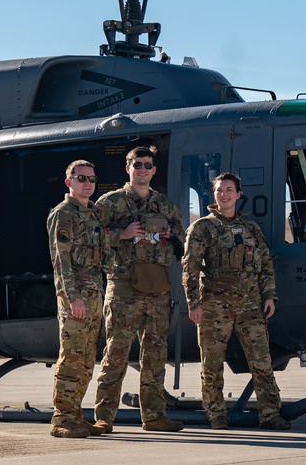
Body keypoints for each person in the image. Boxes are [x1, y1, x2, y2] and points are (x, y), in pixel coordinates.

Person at [182, 172, 291, 430]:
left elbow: (265, 265)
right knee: (212, 362)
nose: (224, 194)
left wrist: (270, 296)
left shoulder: (251, 229)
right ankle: (216, 414)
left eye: (229, 190)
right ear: (214, 195)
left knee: (261, 361)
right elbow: (190, 267)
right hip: (214, 307)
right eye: (220, 190)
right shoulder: (202, 228)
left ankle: (270, 413)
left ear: (238, 195)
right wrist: (193, 303)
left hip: (250, 305)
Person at [92, 146, 186, 433]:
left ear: (154, 170)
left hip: (158, 290)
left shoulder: (165, 206)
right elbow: (89, 238)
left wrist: (171, 236)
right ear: (128, 168)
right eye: (137, 165)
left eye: (147, 165)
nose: (142, 169)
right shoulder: (111, 203)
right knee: (116, 353)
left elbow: (184, 242)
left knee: (156, 356)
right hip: (124, 290)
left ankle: (155, 416)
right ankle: (104, 417)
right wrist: (122, 233)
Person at [48, 160, 112, 439]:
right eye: (81, 178)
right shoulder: (64, 214)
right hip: (76, 300)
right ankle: (61, 418)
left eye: (92, 178)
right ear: (69, 182)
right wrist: (72, 298)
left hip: (93, 296)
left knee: (86, 360)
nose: (87, 183)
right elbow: (61, 262)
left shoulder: (93, 214)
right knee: (71, 358)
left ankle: (75, 415)